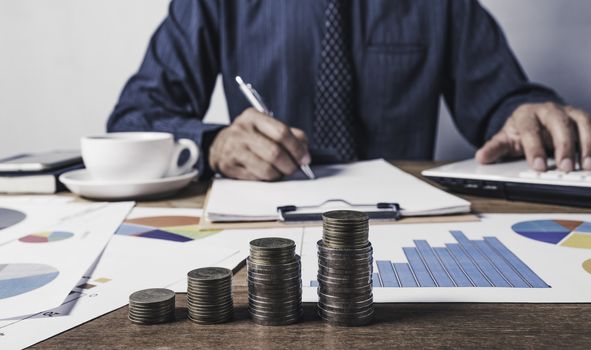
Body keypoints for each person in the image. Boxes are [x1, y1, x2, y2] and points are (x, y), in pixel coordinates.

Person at [108, 0, 591, 181]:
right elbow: (134, 119)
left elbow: (503, 102)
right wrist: (214, 145)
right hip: (262, 231)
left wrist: (526, 113)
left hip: (413, 226)